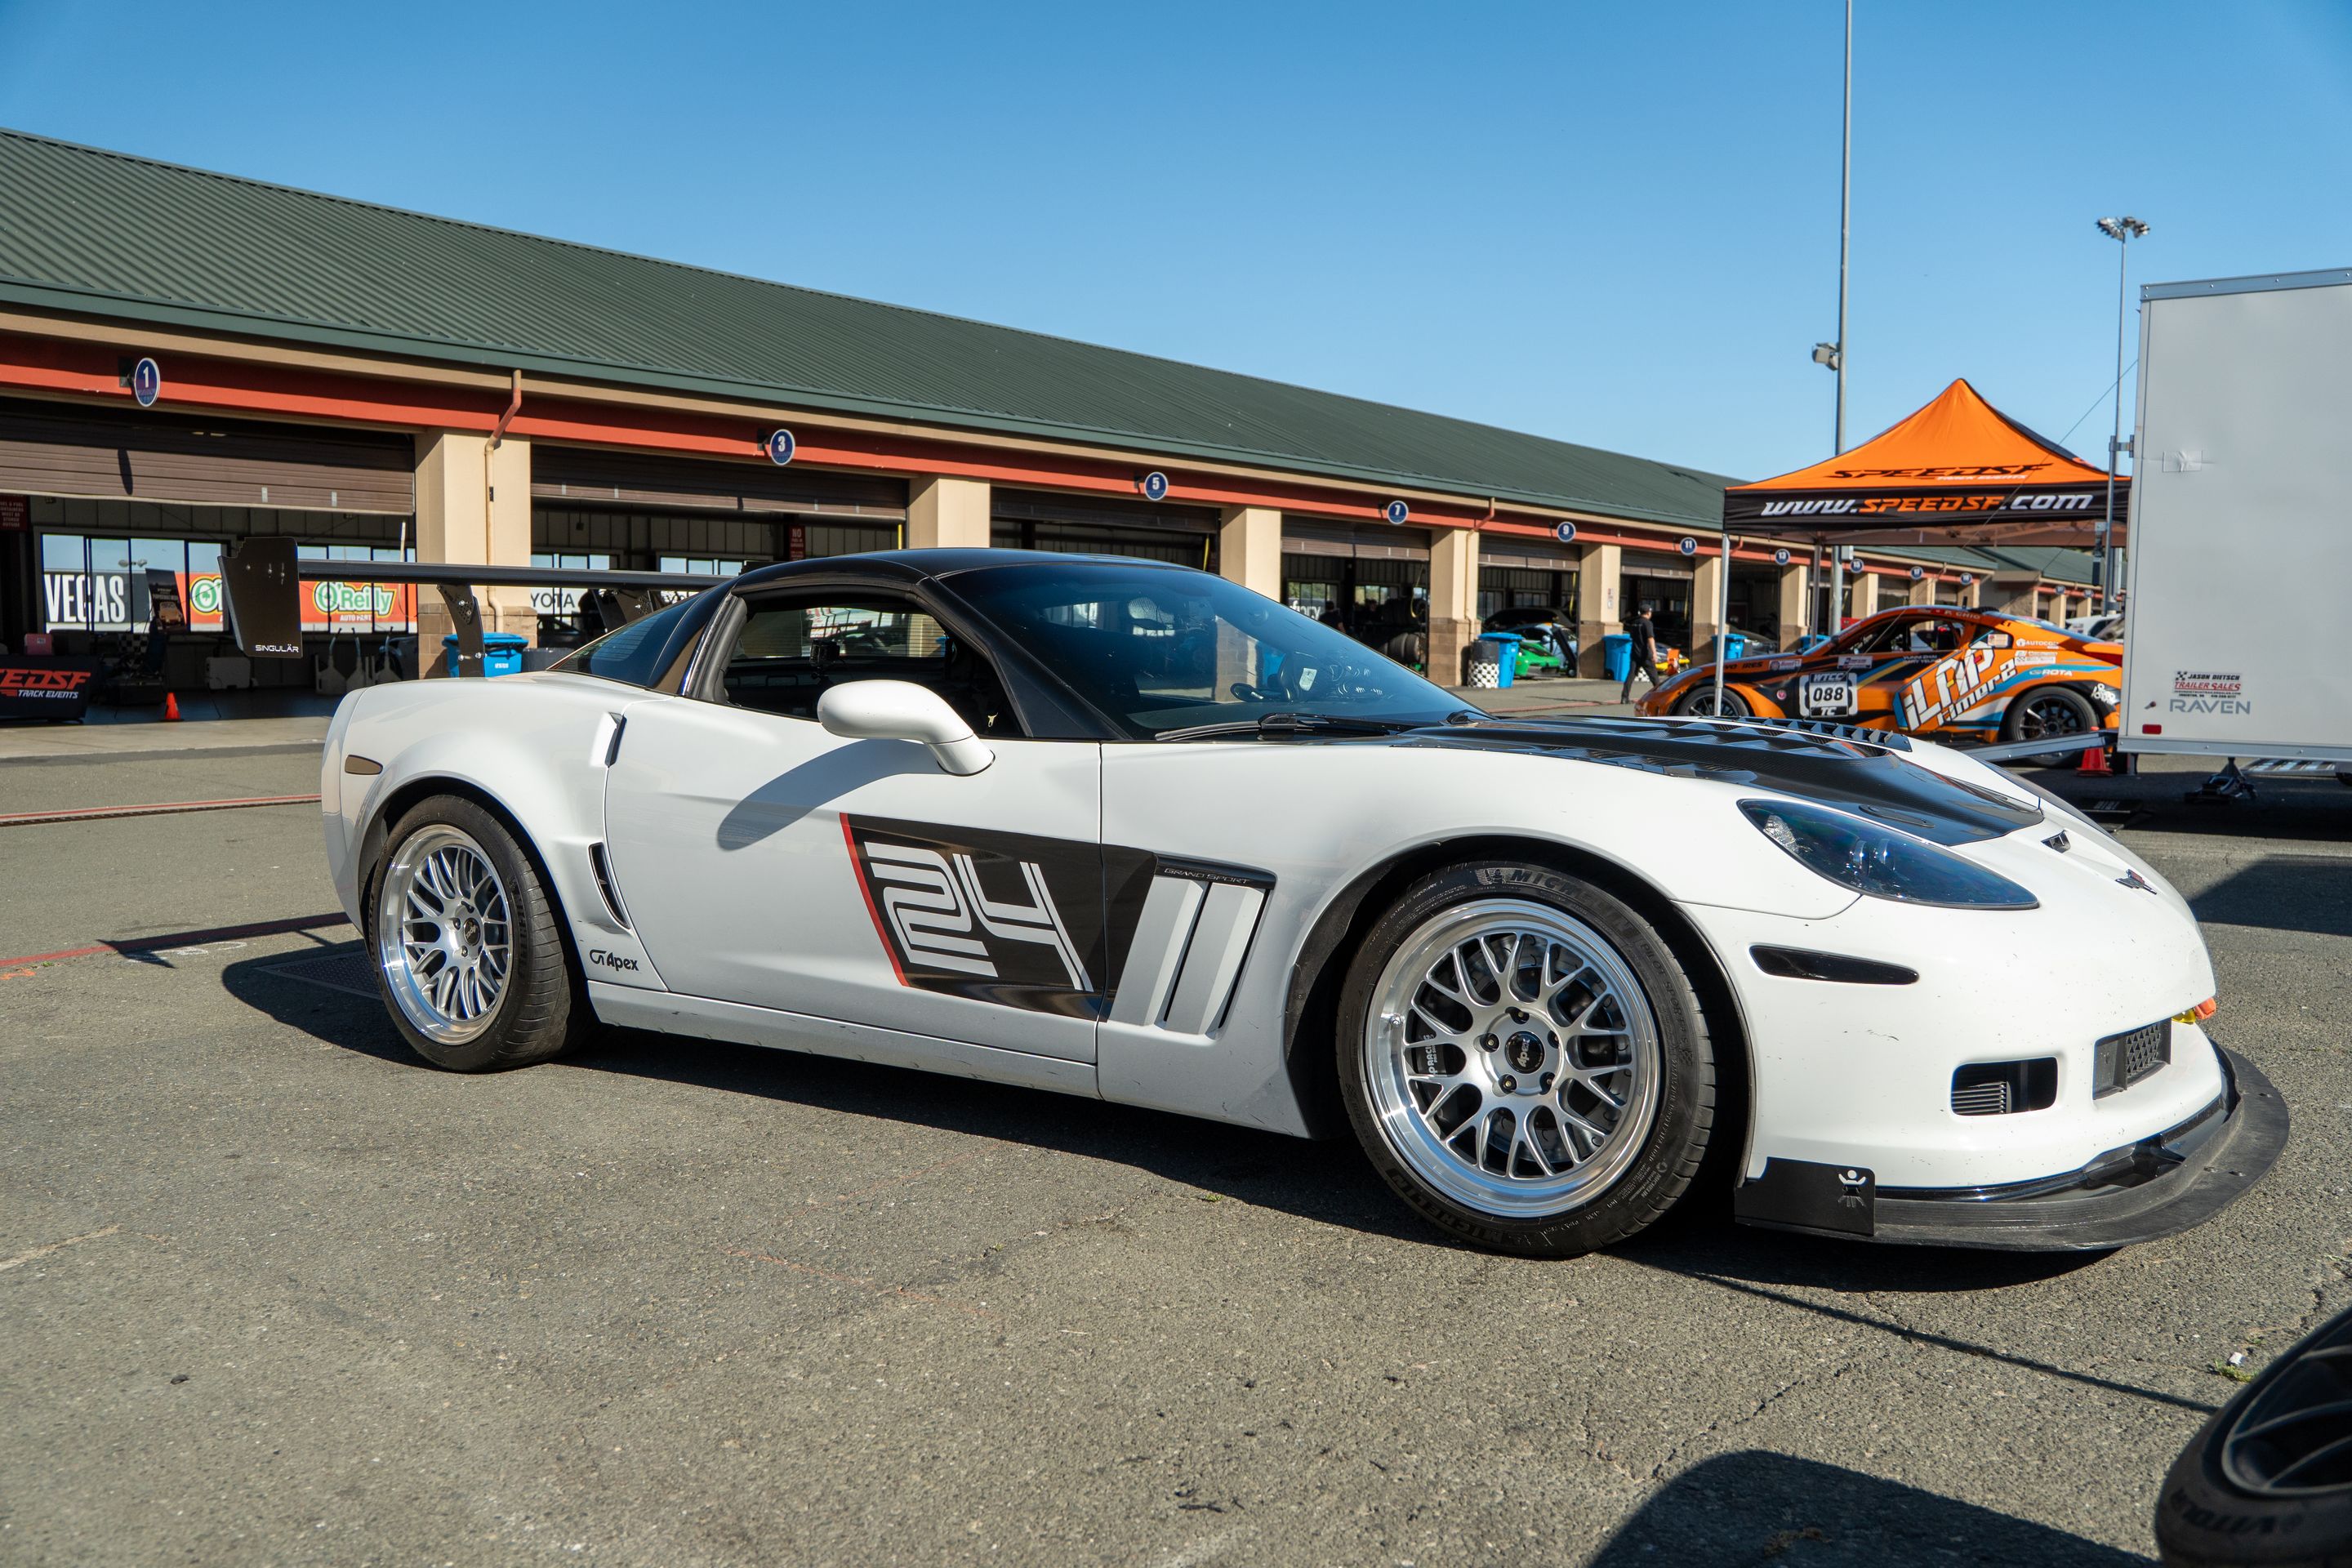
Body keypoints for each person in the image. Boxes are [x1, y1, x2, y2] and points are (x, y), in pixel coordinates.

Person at [1619, 605, 1664, 702]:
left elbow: (1632, 637)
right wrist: (1654, 653)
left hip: (1635, 653)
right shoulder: (1647, 623)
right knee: (1654, 677)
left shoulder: (1635, 623)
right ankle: (1661, 697)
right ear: (1648, 613)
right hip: (1645, 654)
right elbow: (1650, 638)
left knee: (1631, 675)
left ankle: (1624, 697)